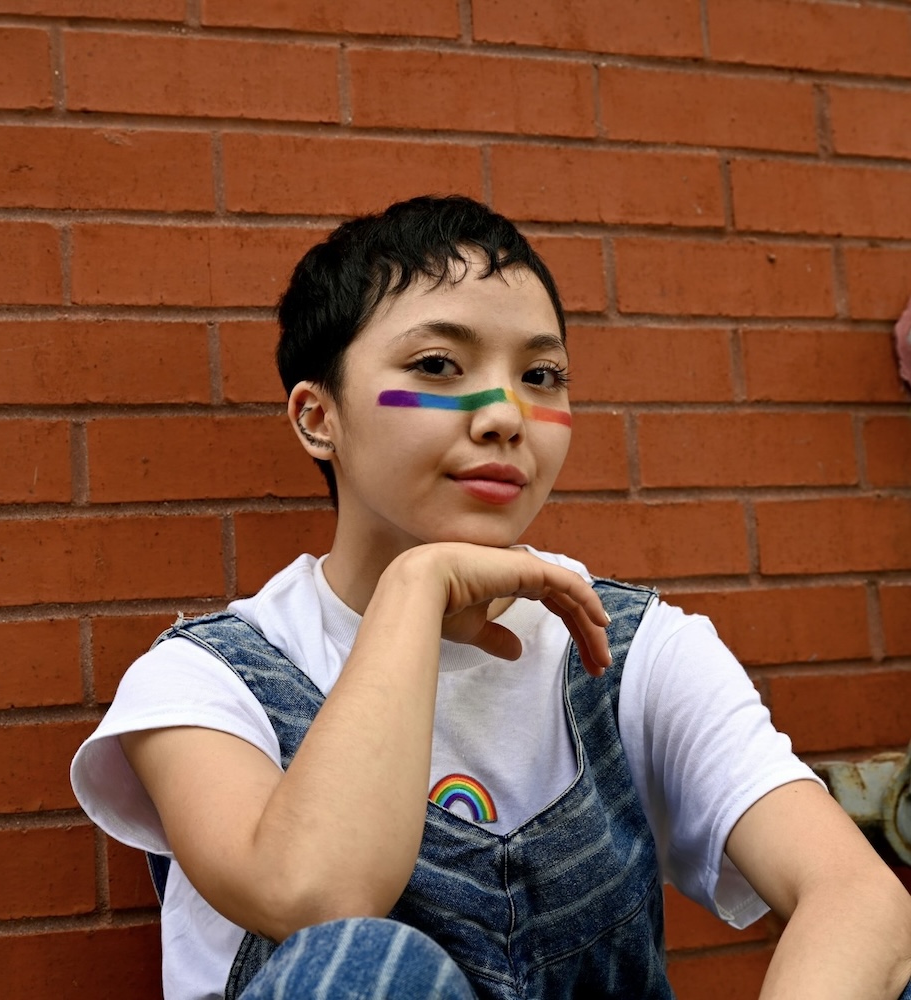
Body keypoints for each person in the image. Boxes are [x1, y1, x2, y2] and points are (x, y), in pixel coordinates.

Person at [71, 196, 911, 1000]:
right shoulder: (206, 679)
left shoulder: (634, 645)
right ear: (316, 417)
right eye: (438, 365)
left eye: (541, 374)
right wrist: (414, 590)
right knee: (364, 969)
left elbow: (859, 898)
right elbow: (318, 896)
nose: (506, 414)